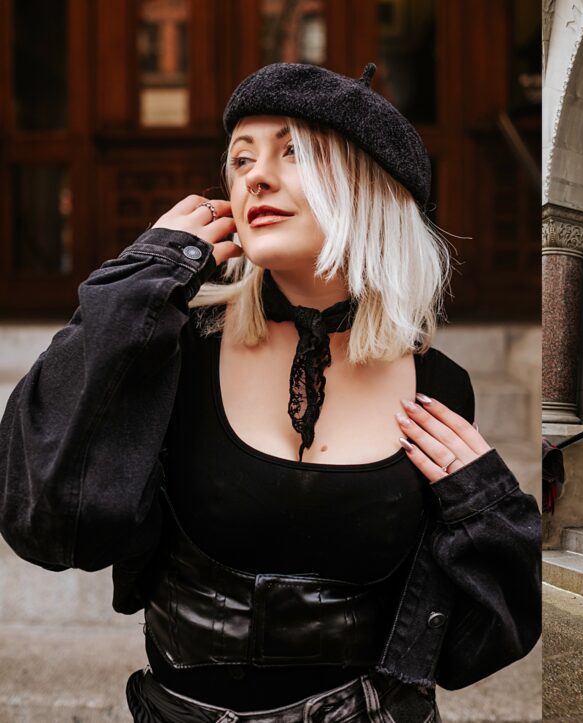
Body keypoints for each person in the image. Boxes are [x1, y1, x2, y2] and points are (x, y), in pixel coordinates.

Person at [0, 63, 540, 722]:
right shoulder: (176, 349)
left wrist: (487, 508)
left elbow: (470, 647)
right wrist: (139, 284)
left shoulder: (441, 386)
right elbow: (47, 523)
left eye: (293, 152)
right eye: (241, 159)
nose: (255, 175)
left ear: (372, 185)